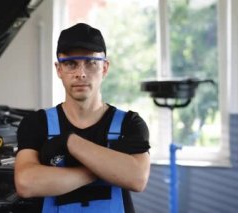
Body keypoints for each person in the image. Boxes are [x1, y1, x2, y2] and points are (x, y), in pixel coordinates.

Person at [14, 23, 150, 213]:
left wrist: (72, 142)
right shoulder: (37, 124)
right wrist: (108, 170)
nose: (81, 73)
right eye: (71, 64)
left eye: (91, 63)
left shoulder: (129, 124)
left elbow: (136, 178)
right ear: (59, 69)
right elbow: (26, 183)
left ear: (104, 68)